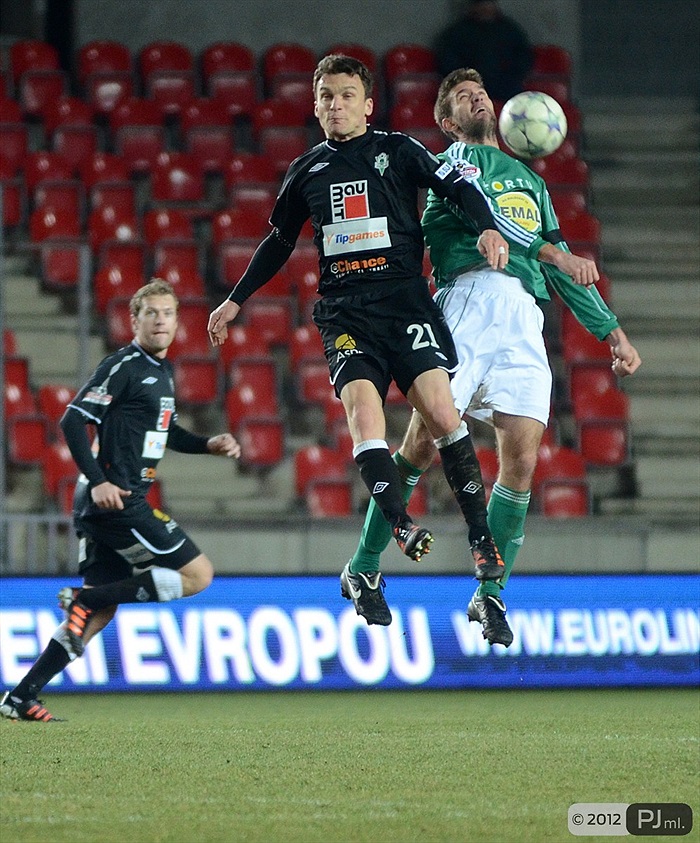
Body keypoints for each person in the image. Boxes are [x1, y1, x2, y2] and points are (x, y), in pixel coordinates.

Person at [208, 54, 511, 619]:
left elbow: (458, 188)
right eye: (326, 96)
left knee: (443, 414)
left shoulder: (399, 150)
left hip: (404, 303)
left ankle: (480, 539)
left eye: (347, 95)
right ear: (315, 105)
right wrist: (235, 299)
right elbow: (278, 242)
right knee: (363, 418)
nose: (335, 105)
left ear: (368, 105)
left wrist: (489, 227)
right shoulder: (306, 171)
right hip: (346, 314)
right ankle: (400, 525)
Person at [348, 68, 641, 641]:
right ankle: (363, 566)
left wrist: (612, 332)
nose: (477, 99)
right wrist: (555, 255)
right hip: (466, 300)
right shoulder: (449, 164)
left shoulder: (532, 182)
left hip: (523, 317)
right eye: (463, 97)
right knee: (422, 443)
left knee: (523, 461)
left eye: (481, 93)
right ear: (447, 121)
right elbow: (485, 216)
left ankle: (489, 596)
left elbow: (560, 257)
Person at [0, 279, 240, 722]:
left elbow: (166, 432)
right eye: (151, 313)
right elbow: (72, 420)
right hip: (115, 501)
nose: (160, 321)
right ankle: (84, 599)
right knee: (198, 574)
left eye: (168, 313)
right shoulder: (124, 365)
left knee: (101, 609)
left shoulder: (161, 372)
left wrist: (207, 445)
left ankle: (21, 696)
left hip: (109, 503)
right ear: (133, 321)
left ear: (177, 321)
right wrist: (98, 481)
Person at [434, 0, 533, 102]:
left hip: (505, 86)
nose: (485, 8)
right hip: (468, 86)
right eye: (481, 5)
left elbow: (523, 57)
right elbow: (448, 60)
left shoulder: (510, 30)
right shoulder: (457, 32)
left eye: (488, 4)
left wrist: (511, 76)